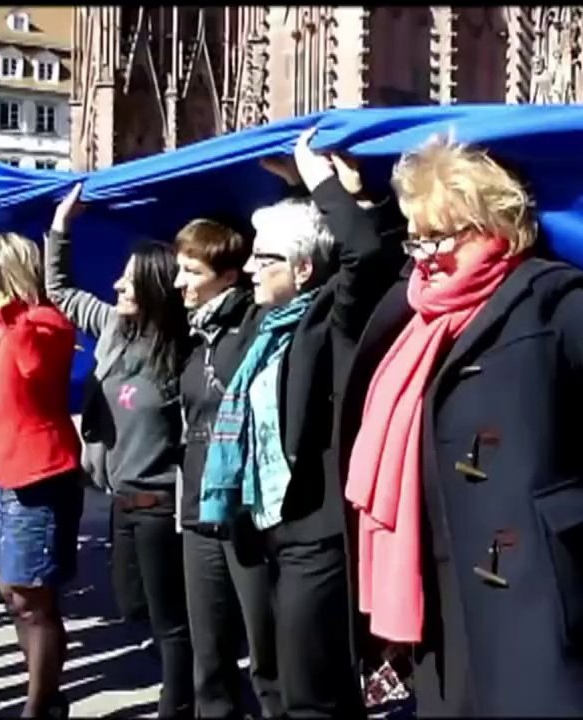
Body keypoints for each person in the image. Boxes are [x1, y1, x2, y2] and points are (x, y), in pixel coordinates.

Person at [341, 100, 583, 715]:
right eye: (415, 236)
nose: (422, 254)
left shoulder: (545, 297)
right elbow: (352, 285)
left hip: (527, 587)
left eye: (439, 236)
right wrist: (342, 192)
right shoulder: (414, 307)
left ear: (492, 223)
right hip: (433, 589)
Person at [198, 131, 405, 716]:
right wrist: (293, 186)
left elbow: (365, 254)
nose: (251, 270)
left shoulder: (328, 320)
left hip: (318, 534)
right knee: (283, 682)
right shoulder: (262, 325)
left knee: (315, 693)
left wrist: (321, 182)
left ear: (305, 268)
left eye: (266, 260)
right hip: (268, 528)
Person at [45, 185, 195, 717]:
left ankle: (178, 705)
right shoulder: (112, 326)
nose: (116, 286)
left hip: (161, 503)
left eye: (128, 283)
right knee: (133, 605)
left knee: (169, 618)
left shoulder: (185, 348)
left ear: (154, 287)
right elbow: (59, 289)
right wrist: (62, 225)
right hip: (120, 499)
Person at [0, 199, 84, 719]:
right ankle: (43, 694)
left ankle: (42, 706)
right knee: (12, 591)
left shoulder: (42, 324)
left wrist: (11, 295)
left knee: (35, 600)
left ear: (6, 277)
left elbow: (31, 360)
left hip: (34, 479)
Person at [172, 215, 285, 719]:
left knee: (269, 657)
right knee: (209, 657)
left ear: (230, 275)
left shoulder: (255, 325)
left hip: (246, 512)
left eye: (192, 271)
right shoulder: (196, 335)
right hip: (199, 511)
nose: (179, 283)